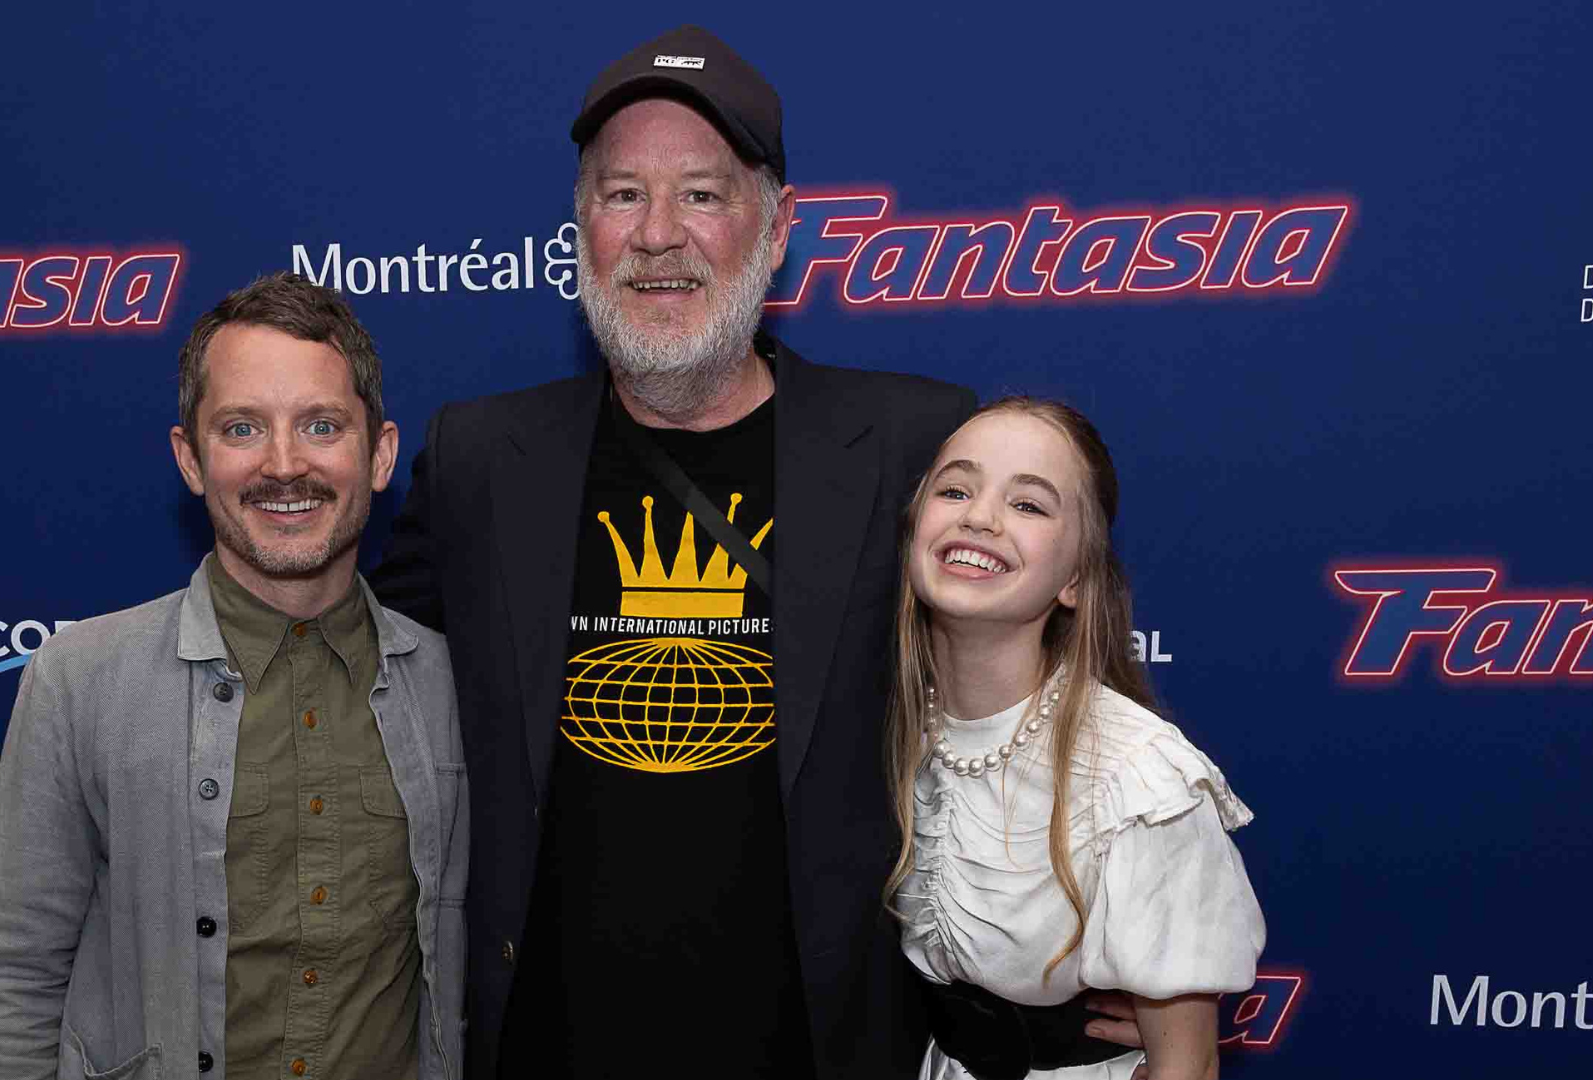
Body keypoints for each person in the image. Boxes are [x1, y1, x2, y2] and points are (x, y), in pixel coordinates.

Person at [370, 25, 1145, 1080]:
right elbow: (369, 685)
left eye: (701, 194)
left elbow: (1066, 670)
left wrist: (1128, 929)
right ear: (580, 229)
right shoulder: (479, 458)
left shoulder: (913, 446)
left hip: (823, 1048)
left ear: (776, 231)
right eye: (620, 194)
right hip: (547, 1045)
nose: (657, 235)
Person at [0, 272, 466, 1080]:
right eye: (241, 428)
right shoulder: (79, 679)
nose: (283, 464)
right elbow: (17, 976)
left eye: (322, 425)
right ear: (190, 459)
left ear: (380, 455)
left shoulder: (453, 686)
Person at [887, 398, 1266, 1080]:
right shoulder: (877, 725)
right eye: (955, 489)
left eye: (1029, 505)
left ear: (1075, 579)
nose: (980, 516)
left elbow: (1187, 1067)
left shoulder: (1139, 780)